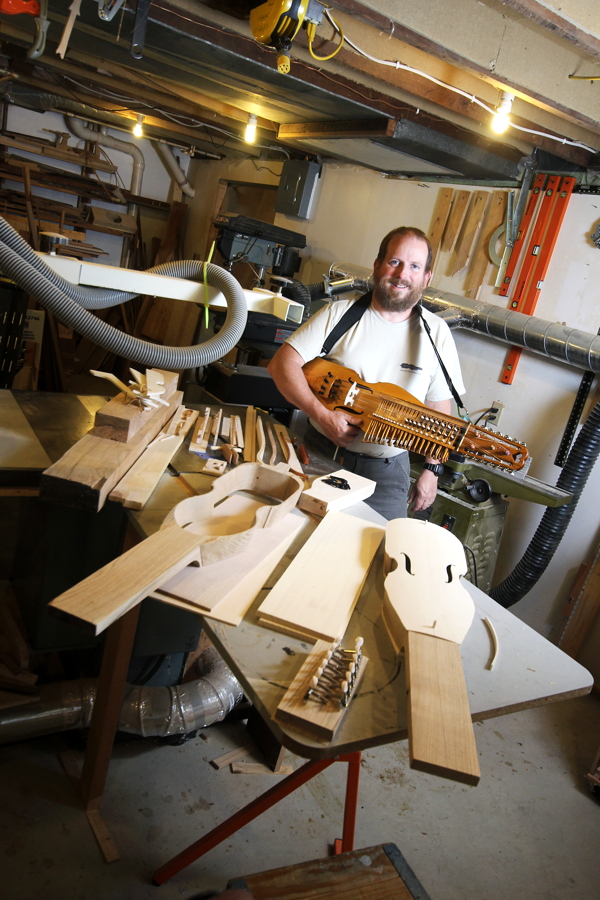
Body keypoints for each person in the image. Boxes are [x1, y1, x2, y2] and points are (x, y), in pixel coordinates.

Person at [267, 226, 465, 520]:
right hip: (321, 454)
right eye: (394, 262)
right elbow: (282, 364)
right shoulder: (339, 315)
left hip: (385, 474)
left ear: (426, 278)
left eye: (414, 266)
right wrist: (321, 414)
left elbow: (438, 409)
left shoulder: (437, 334)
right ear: (377, 265)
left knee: (376, 551)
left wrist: (432, 469)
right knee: (300, 536)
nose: (402, 274)